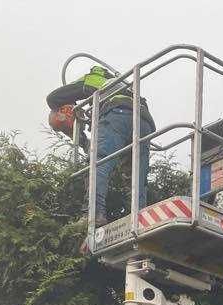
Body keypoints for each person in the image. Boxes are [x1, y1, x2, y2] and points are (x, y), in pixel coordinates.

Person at [47, 65, 156, 225]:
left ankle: (94, 214)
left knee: (99, 164)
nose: (67, 131)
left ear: (66, 111)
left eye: (62, 127)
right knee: (136, 174)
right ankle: (139, 218)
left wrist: (71, 114)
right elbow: (95, 140)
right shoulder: (117, 87)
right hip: (144, 122)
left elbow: (53, 98)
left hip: (118, 114)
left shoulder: (91, 80)